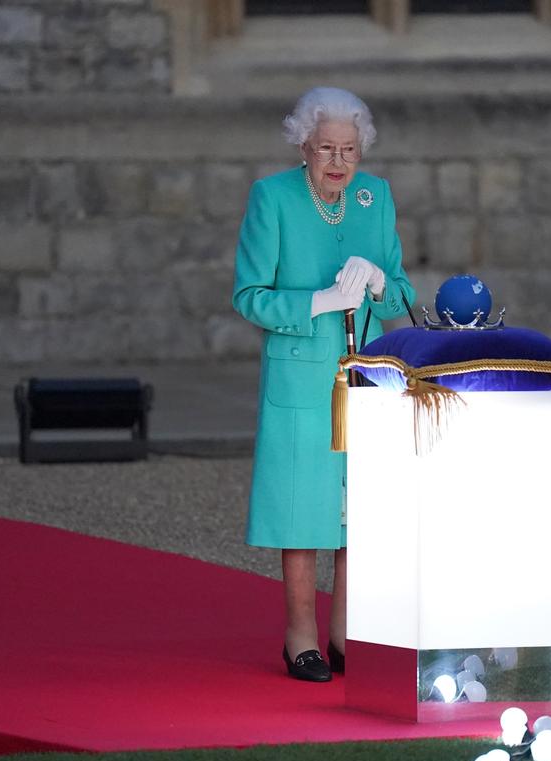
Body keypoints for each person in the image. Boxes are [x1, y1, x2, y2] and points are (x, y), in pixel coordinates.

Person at [232, 87, 415, 682]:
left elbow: (405, 296)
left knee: (356, 510)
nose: (338, 162)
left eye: (350, 150)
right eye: (326, 149)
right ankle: (301, 637)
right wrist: (319, 301)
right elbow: (249, 296)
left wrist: (381, 283)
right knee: (302, 509)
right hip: (301, 379)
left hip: (367, 377)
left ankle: (347, 633)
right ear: (303, 146)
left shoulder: (375, 197)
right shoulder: (273, 198)